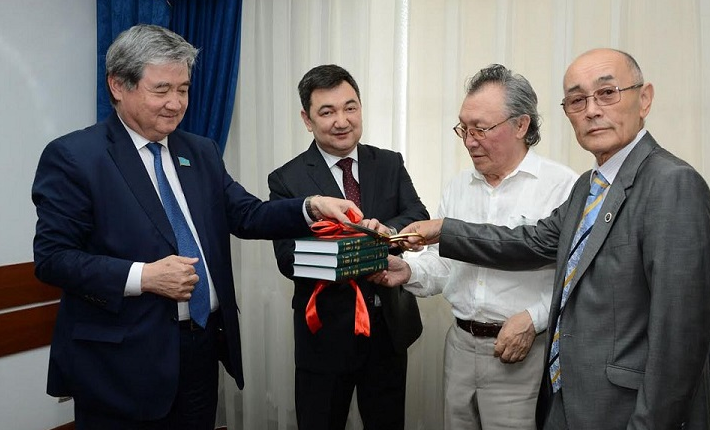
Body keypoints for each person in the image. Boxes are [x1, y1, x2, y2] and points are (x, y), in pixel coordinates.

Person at [31, 24, 360, 430]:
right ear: (118, 85)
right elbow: (53, 259)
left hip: (201, 347)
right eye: (162, 90)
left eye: (183, 89)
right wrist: (144, 277)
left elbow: (247, 215)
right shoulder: (76, 157)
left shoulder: (200, 151)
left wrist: (311, 207)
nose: (175, 103)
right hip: (122, 363)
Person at [391, 49, 710, 429]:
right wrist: (442, 230)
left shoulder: (672, 183)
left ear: (644, 99)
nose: (591, 110)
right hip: (571, 395)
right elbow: (528, 243)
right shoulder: (589, 187)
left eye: (607, 93)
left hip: (624, 407)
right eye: (577, 100)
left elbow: (680, 339)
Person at [370, 64, 577, 429]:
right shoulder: (458, 187)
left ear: (521, 125)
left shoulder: (561, 187)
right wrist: (408, 271)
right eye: (463, 128)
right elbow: (445, 266)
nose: (469, 140)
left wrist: (534, 319)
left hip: (521, 353)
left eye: (480, 128)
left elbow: (575, 277)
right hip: (460, 347)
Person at [268, 64, 429, 430]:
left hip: (388, 329)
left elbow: (417, 214)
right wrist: (358, 247)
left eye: (350, 107)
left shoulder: (388, 162)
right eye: (327, 112)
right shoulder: (287, 179)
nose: (342, 121)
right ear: (307, 119)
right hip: (324, 336)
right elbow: (288, 258)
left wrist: (387, 231)